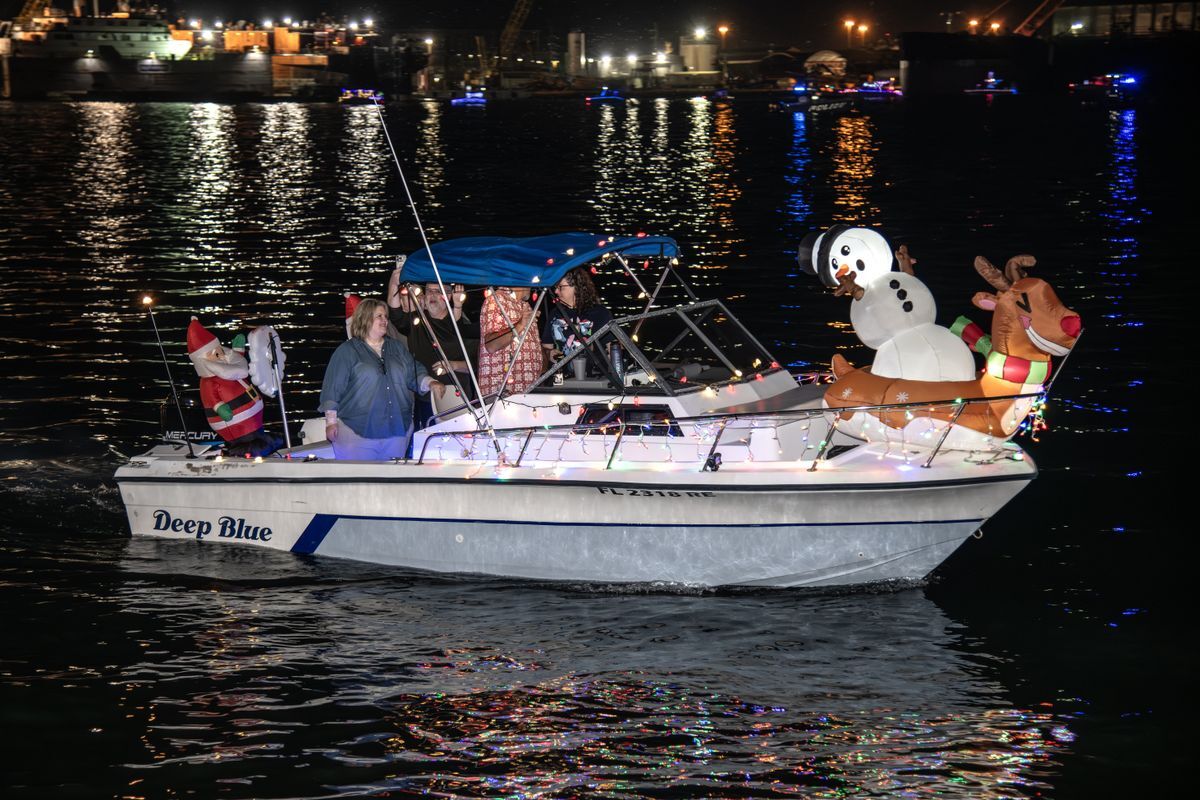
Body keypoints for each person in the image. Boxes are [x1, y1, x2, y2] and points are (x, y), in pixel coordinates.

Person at [319, 298, 445, 460]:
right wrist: (331, 422)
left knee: (392, 476)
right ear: (365, 318)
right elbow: (332, 389)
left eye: (386, 316)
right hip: (357, 433)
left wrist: (431, 382)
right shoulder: (347, 351)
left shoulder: (397, 348)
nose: (385, 320)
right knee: (359, 477)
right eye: (379, 316)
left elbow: (414, 373)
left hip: (397, 431)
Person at [386, 268, 479, 401]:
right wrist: (394, 282)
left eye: (438, 291)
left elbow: (478, 363)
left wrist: (453, 365)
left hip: (458, 398)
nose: (432, 295)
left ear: (448, 296)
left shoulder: (460, 323)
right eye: (429, 291)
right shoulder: (417, 320)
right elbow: (395, 312)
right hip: (425, 398)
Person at [542, 267, 613, 372]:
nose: (556, 291)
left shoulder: (599, 313)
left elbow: (613, 348)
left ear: (576, 287)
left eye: (560, 287)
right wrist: (549, 353)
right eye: (555, 287)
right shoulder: (554, 314)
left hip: (594, 376)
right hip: (562, 377)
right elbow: (546, 347)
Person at [478, 286, 542, 398]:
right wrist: (520, 325)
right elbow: (491, 345)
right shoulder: (496, 300)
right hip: (502, 393)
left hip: (527, 392)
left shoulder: (525, 306)